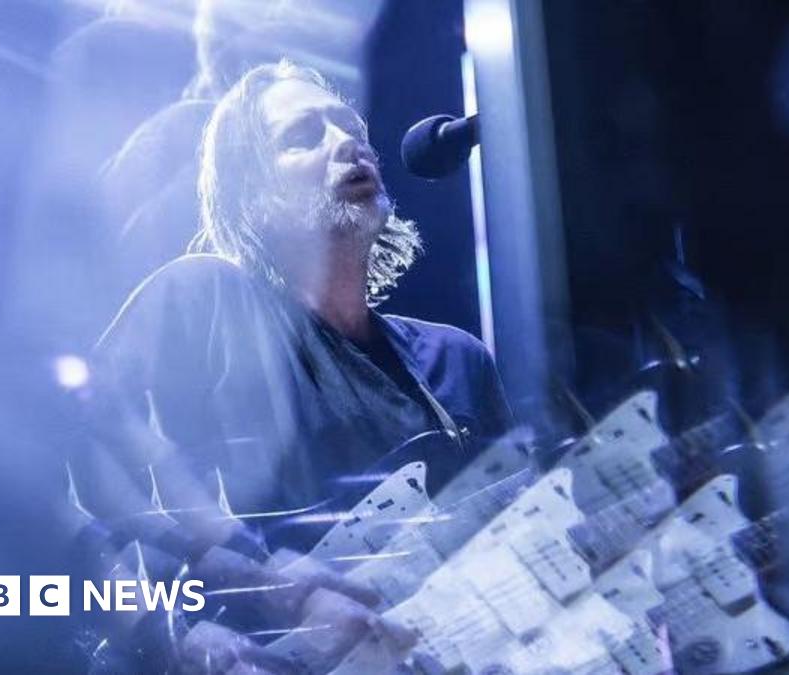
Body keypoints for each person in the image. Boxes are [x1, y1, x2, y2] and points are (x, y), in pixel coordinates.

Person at [74, 60, 512, 672]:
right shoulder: (204, 299)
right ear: (253, 194)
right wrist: (167, 634)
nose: (347, 143)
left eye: (350, 127)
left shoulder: (456, 360)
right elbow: (64, 475)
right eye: (303, 137)